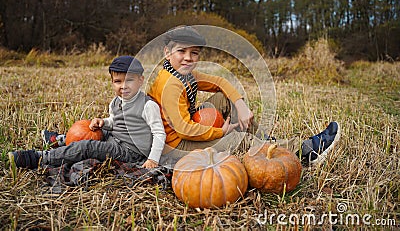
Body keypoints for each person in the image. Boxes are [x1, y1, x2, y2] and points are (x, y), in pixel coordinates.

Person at [147, 25, 340, 167]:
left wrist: (241, 106)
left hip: (186, 128)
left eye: (194, 53)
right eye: (181, 51)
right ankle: (304, 152)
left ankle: (267, 142)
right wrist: (222, 132)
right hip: (175, 146)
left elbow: (220, 82)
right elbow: (184, 130)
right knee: (236, 139)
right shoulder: (170, 84)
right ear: (167, 52)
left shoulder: (184, 74)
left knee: (226, 99)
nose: (188, 57)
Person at [9, 56, 166, 170]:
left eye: (129, 80)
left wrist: (152, 159)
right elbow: (115, 121)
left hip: (130, 151)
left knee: (87, 147)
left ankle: (39, 158)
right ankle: (60, 140)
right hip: (115, 138)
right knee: (92, 129)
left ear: (140, 80)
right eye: (118, 81)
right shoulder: (116, 102)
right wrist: (104, 122)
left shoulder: (147, 105)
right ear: (112, 82)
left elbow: (159, 133)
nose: (123, 86)